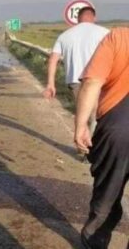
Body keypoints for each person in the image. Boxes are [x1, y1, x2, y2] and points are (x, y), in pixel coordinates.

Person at [75, 28, 129, 248]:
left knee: (107, 197)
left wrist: (81, 125)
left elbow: (92, 82)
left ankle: (95, 237)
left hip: (117, 131)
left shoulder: (118, 37)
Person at [44, 6, 109, 131]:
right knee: (96, 115)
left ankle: (82, 144)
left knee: (81, 114)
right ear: (94, 17)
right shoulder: (105, 32)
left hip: (75, 81)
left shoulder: (64, 35)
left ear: (78, 18)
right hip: (98, 79)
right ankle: (92, 146)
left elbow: (53, 60)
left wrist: (50, 84)